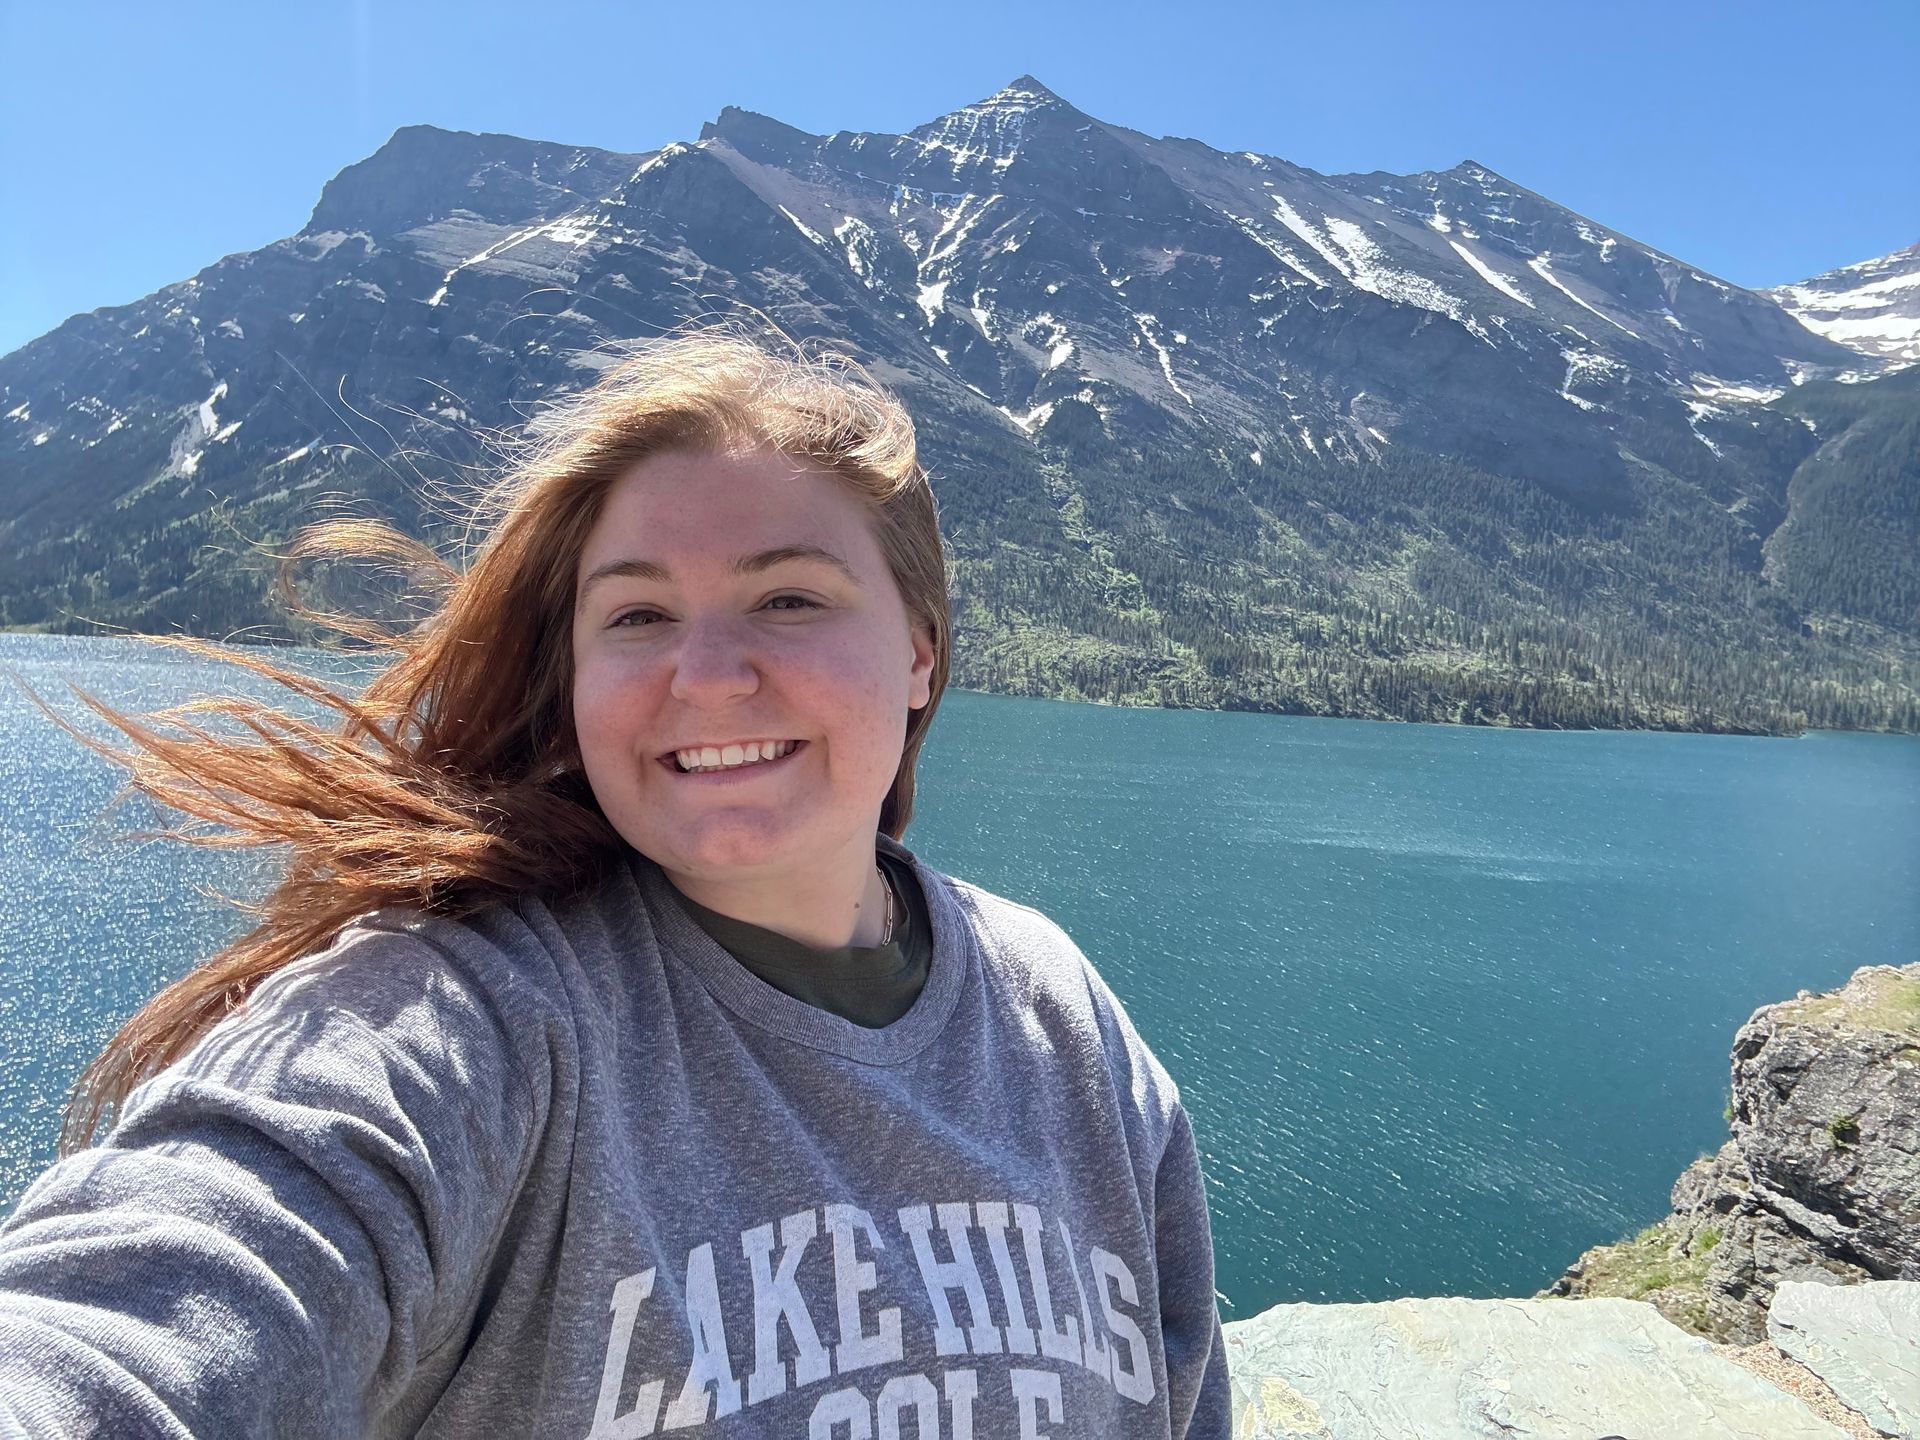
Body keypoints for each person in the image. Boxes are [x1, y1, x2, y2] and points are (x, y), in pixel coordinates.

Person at [0, 328, 1231, 1438]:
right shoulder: (465, 1020)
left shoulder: (1060, 1016)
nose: (705, 674)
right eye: (637, 617)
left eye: (787, 597)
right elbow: (143, 1316)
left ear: (919, 653)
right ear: (575, 671)